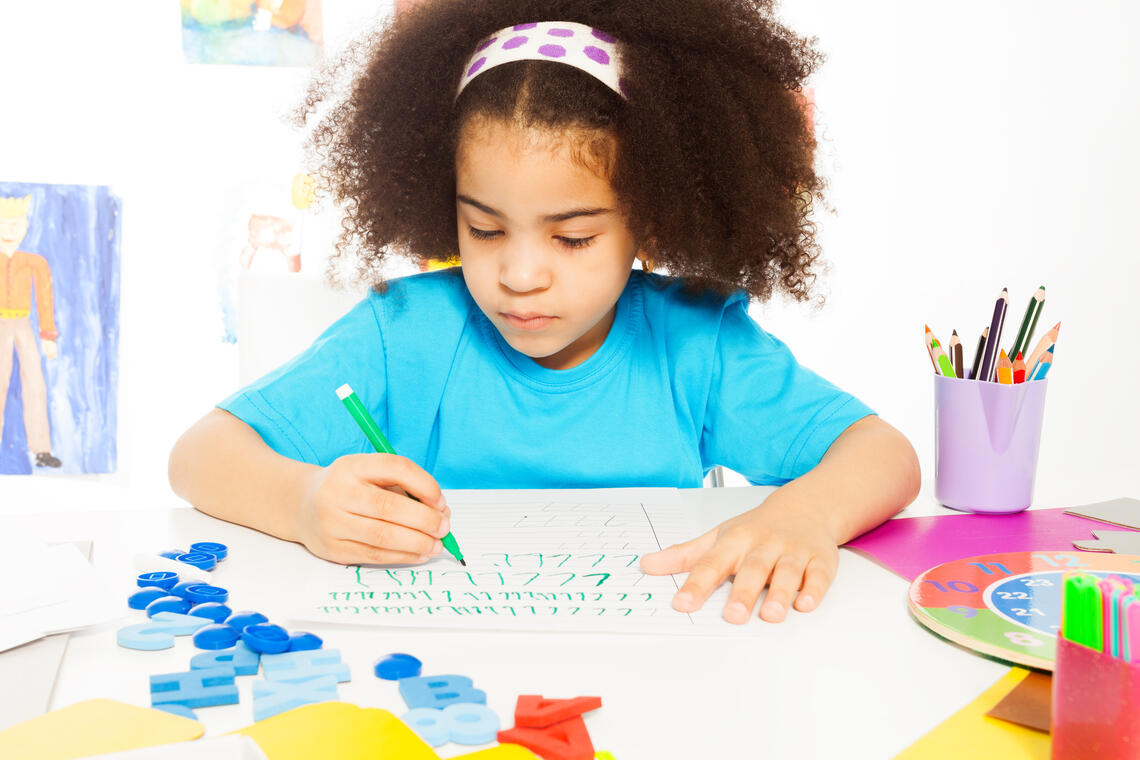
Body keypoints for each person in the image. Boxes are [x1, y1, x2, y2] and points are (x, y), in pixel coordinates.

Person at [169, 0, 920, 625]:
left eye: (573, 236)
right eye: (485, 229)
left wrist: (806, 516)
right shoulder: (404, 335)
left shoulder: (696, 344)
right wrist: (302, 503)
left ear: (650, 222)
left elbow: (886, 456)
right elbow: (199, 456)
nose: (520, 274)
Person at [0, 194, 62, 469]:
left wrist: (48, 335)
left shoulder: (34, 262)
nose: (10, 231)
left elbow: (44, 299)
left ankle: (41, 449)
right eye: (4, 223)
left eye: (16, 224)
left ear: (25, 226)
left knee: (35, 385)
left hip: (23, 324)